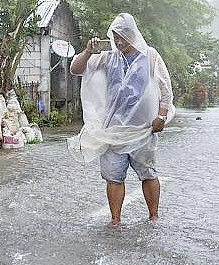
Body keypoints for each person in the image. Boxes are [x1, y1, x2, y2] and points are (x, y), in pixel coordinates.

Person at [68, 13, 175, 226]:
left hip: (143, 130)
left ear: (134, 35)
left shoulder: (151, 55)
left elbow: (165, 89)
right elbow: (76, 69)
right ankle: (115, 221)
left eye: (123, 37)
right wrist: (89, 51)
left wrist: (162, 116)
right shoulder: (108, 57)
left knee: (148, 173)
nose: (119, 42)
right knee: (113, 177)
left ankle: (154, 217)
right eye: (115, 37)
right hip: (113, 131)